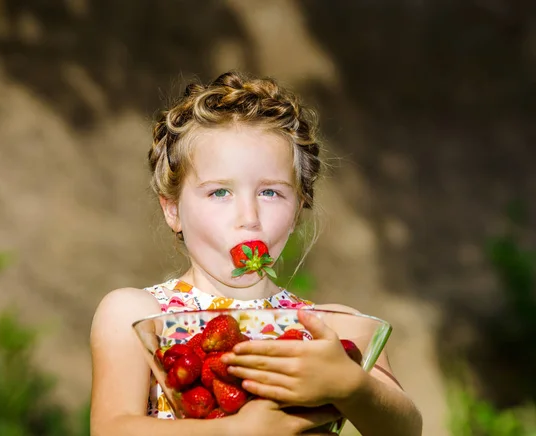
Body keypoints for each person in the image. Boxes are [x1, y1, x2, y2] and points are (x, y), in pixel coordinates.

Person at [90, 71, 422, 436]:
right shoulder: (139, 314)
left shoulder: (331, 328)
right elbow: (111, 429)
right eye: (220, 192)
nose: (248, 218)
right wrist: (233, 432)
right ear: (172, 209)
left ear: (298, 209)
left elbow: (404, 430)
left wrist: (353, 387)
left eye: (270, 193)